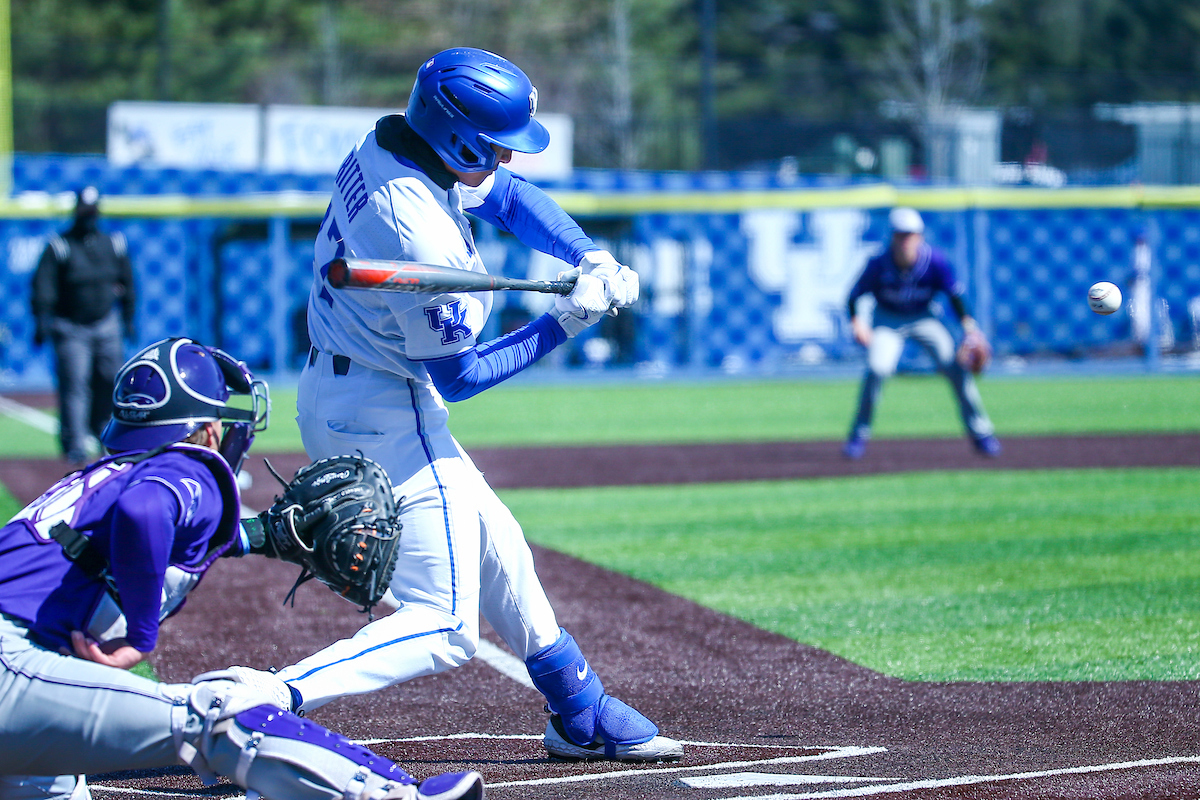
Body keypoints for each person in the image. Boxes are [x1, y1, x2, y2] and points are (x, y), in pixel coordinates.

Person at [255, 47, 680, 763]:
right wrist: (567, 323)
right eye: (499, 148)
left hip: (361, 390)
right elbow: (461, 377)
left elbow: (510, 201)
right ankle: (262, 701)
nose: (508, 162)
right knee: (444, 625)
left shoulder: (403, 141)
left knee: (498, 541)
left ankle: (578, 709)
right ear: (460, 139)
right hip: (384, 410)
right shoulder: (415, 226)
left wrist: (587, 259)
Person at [0, 337, 484, 800]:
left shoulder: (89, 484)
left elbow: (164, 533)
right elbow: (144, 512)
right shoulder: (186, 464)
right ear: (206, 429)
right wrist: (140, 639)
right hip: (11, 668)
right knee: (221, 714)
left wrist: (263, 536)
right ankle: (393, 794)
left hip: (23, 676)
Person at [843, 207, 1000, 459]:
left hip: (924, 317)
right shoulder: (878, 264)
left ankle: (981, 432)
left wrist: (969, 328)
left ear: (920, 237)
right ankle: (858, 435)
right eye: (901, 235)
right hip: (887, 320)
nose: (906, 240)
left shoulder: (934, 261)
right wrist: (856, 323)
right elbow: (852, 296)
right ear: (893, 237)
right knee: (877, 369)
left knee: (955, 367)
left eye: (911, 235)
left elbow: (955, 296)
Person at [31, 186, 137, 465]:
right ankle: (74, 443)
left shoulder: (112, 243)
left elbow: (127, 283)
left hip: (106, 323)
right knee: (75, 384)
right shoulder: (60, 246)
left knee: (110, 380)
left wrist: (129, 318)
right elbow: (44, 286)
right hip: (71, 326)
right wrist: (42, 320)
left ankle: (107, 433)